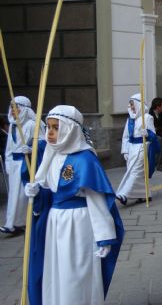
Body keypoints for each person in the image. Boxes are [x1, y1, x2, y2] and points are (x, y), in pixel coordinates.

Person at [24, 105, 124, 305]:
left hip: (78, 224)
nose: (49, 133)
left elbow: (97, 202)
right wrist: (36, 195)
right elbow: (48, 194)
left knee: (76, 274)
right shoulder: (50, 155)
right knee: (56, 270)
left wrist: (104, 238)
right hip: (54, 222)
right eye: (48, 127)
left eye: (55, 128)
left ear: (70, 129)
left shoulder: (85, 160)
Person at [1, 97, 41, 234]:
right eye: (11, 107)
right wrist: (8, 163)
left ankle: (23, 221)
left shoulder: (32, 124)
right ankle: (12, 223)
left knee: (24, 195)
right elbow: (9, 148)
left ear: (24, 109)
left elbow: (43, 143)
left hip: (26, 164)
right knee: (14, 195)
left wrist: (31, 148)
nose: (13, 110)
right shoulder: (13, 125)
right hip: (14, 164)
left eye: (15, 107)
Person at [117, 94, 161, 205]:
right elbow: (125, 137)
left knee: (136, 172)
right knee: (134, 172)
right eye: (130, 104)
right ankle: (144, 194)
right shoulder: (130, 120)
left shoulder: (147, 118)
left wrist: (147, 133)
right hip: (131, 149)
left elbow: (153, 136)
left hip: (142, 147)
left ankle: (124, 194)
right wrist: (125, 150)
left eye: (132, 104)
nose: (131, 106)